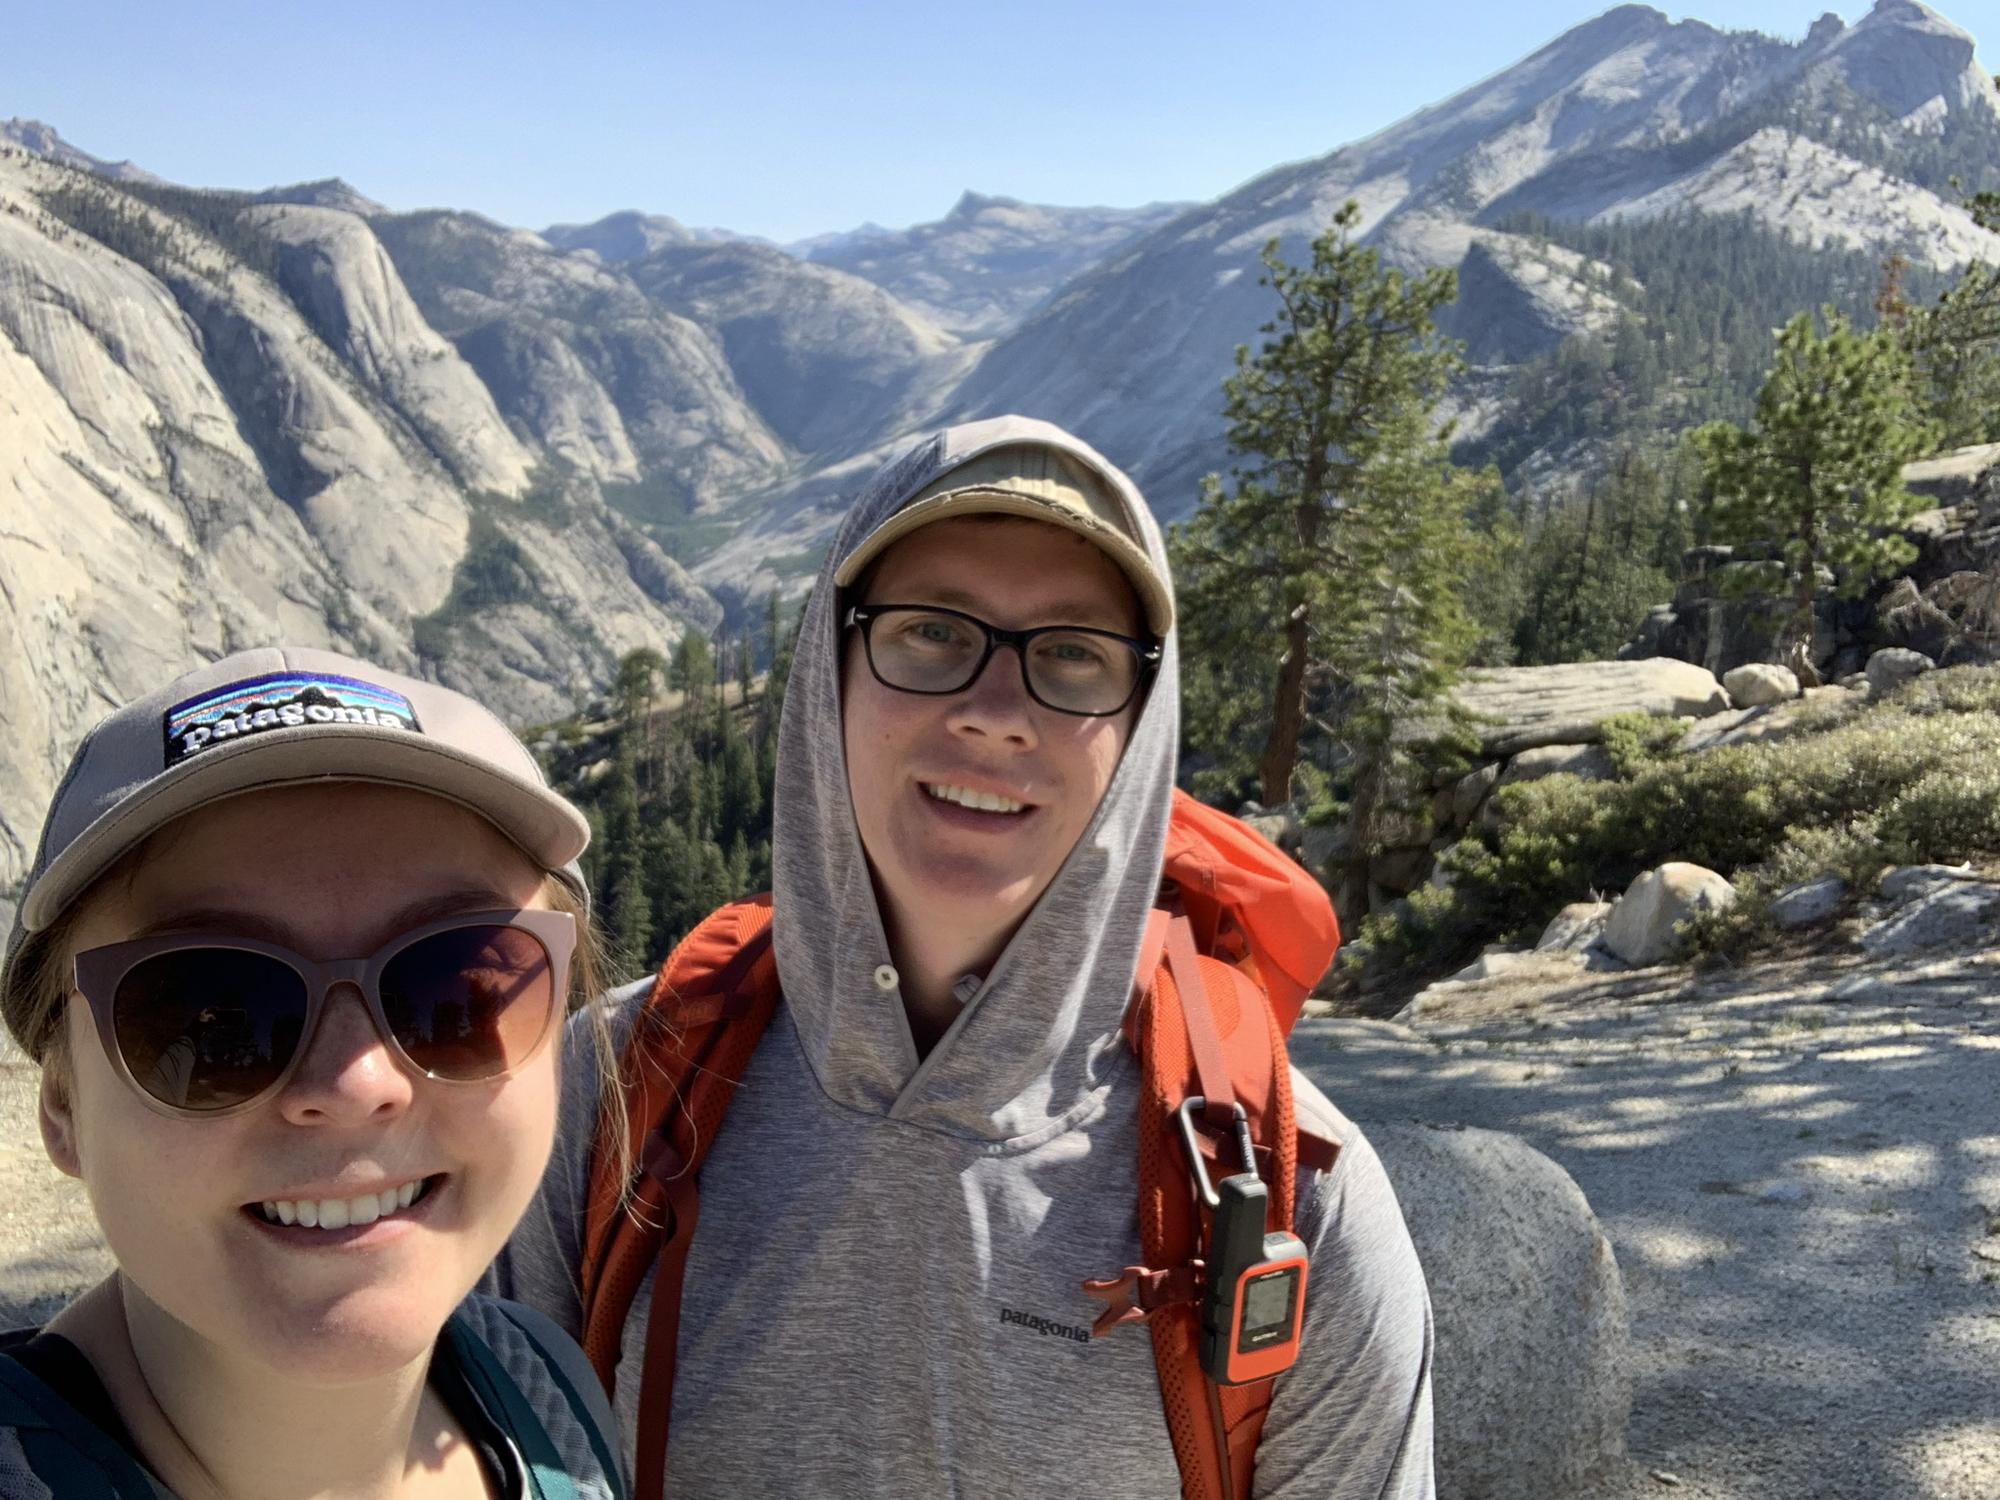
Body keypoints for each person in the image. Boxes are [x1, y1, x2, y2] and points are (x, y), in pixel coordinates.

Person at [495, 416, 1434, 1497]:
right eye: (932, 633)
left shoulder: (1288, 1189)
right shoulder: (604, 1088)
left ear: (1138, 729)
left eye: (1073, 654)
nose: (995, 715)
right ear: (830, 665)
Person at [0, 647, 627, 1500]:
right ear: (62, 1101)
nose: (355, 1081)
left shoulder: (549, 1396)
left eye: (454, 987)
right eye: (211, 1013)